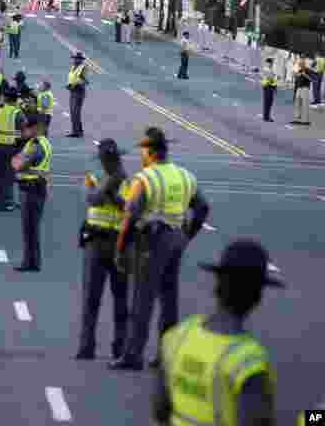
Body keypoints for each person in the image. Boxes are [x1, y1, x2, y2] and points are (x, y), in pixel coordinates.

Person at [110, 127, 211, 371]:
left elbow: (130, 217)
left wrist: (120, 249)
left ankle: (133, 355)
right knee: (169, 300)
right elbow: (203, 208)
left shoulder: (145, 178)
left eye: (143, 150)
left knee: (142, 299)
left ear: (151, 152)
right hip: (176, 239)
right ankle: (167, 355)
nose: (140, 155)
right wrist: (187, 235)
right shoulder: (185, 175)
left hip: (151, 242)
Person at [152, 239, 282, 426]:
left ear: (217, 285)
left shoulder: (177, 336)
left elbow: (159, 409)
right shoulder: (248, 362)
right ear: (257, 297)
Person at [76, 139, 130, 360]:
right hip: (95, 241)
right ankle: (87, 346)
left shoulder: (130, 181)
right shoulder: (93, 177)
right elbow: (92, 200)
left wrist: (114, 192)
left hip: (120, 244)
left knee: (121, 299)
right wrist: (109, 185)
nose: (111, 162)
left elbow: (128, 207)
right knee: (91, 298)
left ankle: (120, 346)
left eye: (113, 159)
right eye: (107, 159)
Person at [10, 113, 50, 272]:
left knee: (30, 228)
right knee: (32, 228)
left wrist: (18, 162)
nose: (25, 130)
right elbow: (17, 160)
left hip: (32, 189)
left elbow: (18, 164)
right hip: (35, 187)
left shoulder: (35, 146)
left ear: (34, 128)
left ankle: (30, 262)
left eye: (27, 127)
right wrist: (18, 161)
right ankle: (33, 261)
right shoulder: (40, 142)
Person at [0, 85, 24, 211]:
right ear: (15, 99)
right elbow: (23, 129)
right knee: (9, 176)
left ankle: (0, 202)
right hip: (12, 147)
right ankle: (9, 202)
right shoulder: (17, 112)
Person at [66, 52, 88, 138]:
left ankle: (78, 132)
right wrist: (69, 84)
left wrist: (75, 84)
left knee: (76, 112)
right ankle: (76, 131)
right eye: (74, 58)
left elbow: (84, 80)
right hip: (72, 90)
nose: (74, 60)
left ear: (80, 60)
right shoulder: (73, 67)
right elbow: (72, 77)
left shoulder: (83, 68)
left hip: (79, 91)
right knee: (73, 112)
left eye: (76, 58)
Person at [292, 56, 312, 126]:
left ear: (304, 62)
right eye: (300, 62)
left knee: (305, 104)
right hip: (299, 88)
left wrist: (304, 74)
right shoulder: (299, 70)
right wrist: (296, 75)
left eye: (302, 61)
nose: (300, 63)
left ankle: (305, 120)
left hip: (305, 88)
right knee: (297, 104)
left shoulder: (308, 70)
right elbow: (296, 79)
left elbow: (311, 79)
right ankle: (297, 119)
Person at [261, 58, 277, 122]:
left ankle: (267, 116)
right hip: (267, 86)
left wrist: (275, 87)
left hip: (269, 86)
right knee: (267, 102)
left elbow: (273, 79)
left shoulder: (270, 70)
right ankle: (266, 117)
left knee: (269, 102)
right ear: (268, 63)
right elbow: (270, 78)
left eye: (271, 63)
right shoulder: (266, 69)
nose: (271, 64)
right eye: (270, 63)